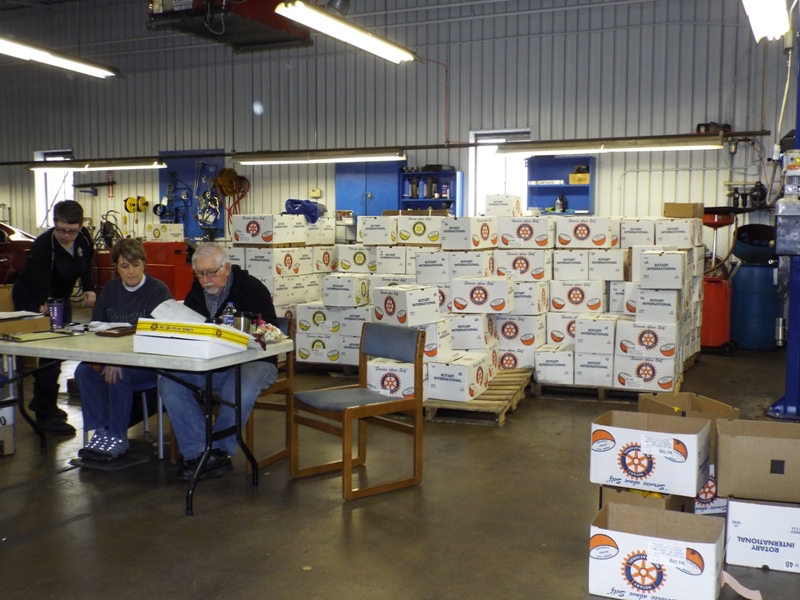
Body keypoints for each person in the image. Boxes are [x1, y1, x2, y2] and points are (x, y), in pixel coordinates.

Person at [159, 242, 278, 481]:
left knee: (238, 389)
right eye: (199, 274)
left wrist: (239, 330)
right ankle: (197, 453)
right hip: (212, 361)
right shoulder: (195, 293)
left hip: (255, 360)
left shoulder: (251, 288)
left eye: (211, 273)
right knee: (169, 382)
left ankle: (218, 452)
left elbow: (271, 332)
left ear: (227, 267)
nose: (205, 280)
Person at [75, 239, 173, 460]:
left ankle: (118, 436)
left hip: (148, 362)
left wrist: (120, 360)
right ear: (116, 268)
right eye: (124, 266)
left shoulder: (158, 291)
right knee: (84, 371)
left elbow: (161, 337)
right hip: (113, 357)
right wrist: (110, 358)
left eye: (136, 265)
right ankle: (100, 432)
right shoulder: (110, 290)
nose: (131, 272)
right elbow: (96, 327)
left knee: (118, 375)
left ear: (144, 264)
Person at [12, 200, 96, 435]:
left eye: (72, 231)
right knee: (48, 350)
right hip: (32, 295)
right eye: (61, 230)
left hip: (62, 297)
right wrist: (44, 303)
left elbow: (86, 265)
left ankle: (42, 400)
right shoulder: (42, 245)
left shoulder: (84, 239)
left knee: (59, 351)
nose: (66, 236)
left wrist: (89, 287)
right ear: (54, 223)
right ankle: (45, 413)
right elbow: (41, 281)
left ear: (81, 226)